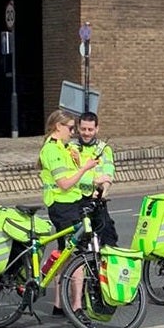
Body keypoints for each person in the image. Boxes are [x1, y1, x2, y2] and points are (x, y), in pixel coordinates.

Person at [39, 108, 100, 316]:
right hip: (62, 206)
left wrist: (86, 172)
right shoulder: (51, 150)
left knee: (65, 254)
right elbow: (64, 183)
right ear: (58, 126)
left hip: (72, 204)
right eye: (71, 128)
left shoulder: (64, 148)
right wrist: (84, 168)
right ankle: (76, 306)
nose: (73, 132)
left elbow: (75, 178)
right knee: (78, 255)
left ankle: (58, 304)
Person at [75, 110, 118, 245]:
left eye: (90, 129)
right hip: (78, 200)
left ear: (97, 129)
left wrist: (103, 189)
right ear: (78, 128)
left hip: (97, 201)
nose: (86, 133)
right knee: (80, 243)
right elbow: (72, 175)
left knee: (108, 238)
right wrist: (94, 181)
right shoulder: (71, 148)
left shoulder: (104, 149)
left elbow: (109, 172)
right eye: (83, 129)